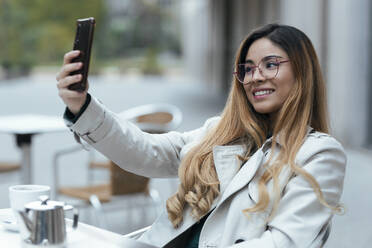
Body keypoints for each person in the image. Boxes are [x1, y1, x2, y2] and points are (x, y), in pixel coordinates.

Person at [56, 23, 346, 247]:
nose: (255, 77)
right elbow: (144, 150)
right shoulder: (218, 133)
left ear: (302, 72)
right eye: (247, 68)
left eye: (270, 64)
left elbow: (282, 243)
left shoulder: (319, 155)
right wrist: (82, 106)